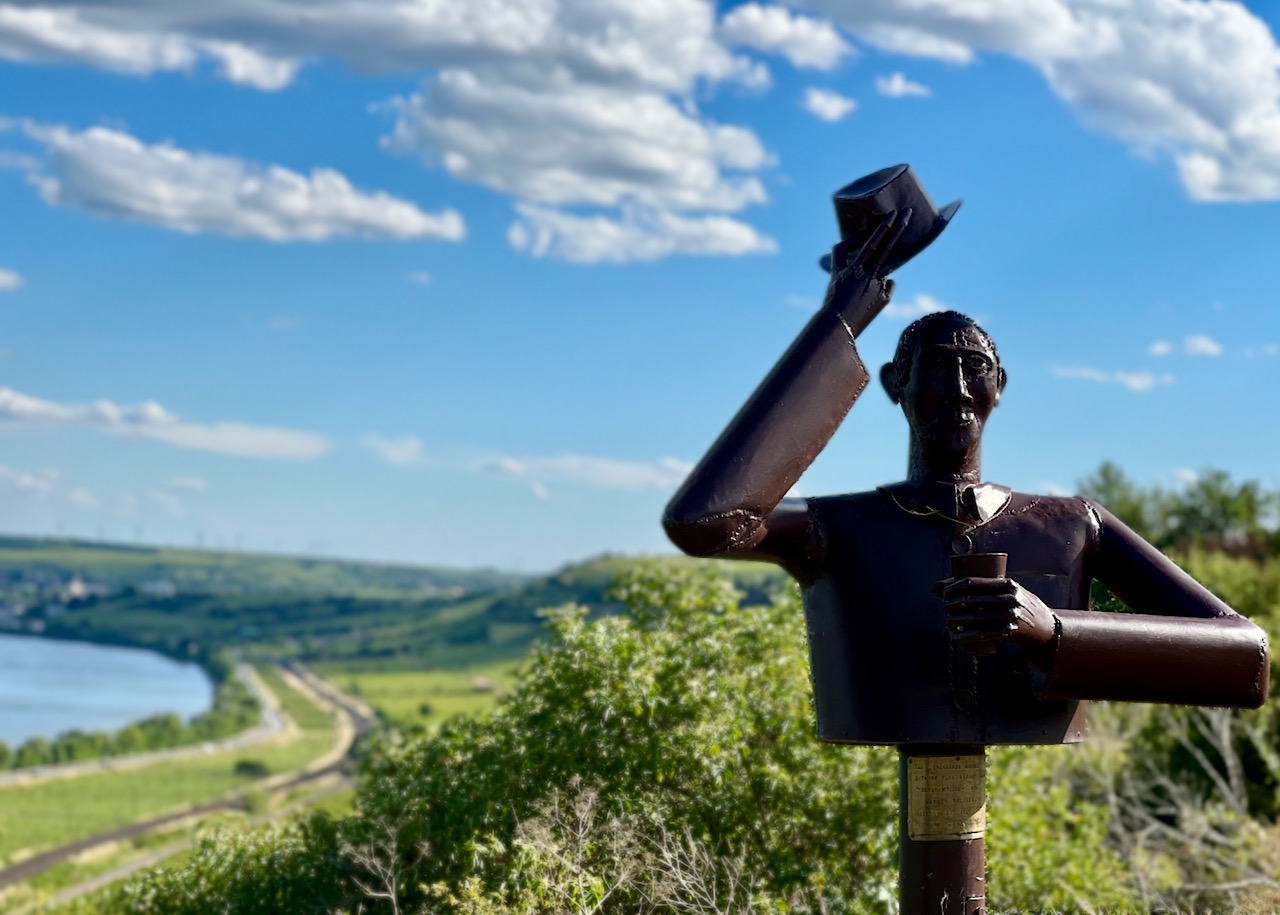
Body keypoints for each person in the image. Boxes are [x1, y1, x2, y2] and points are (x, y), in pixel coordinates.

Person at [663, 208, 1268, 747]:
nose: (956, 390)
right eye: (934, 369)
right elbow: (703, 522)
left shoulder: (1068, 524)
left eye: (974, 368)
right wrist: (838, 323)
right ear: (895, 384)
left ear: (998, 388)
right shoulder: (841, 528)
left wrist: (1050, 632)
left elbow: (1245, 657)